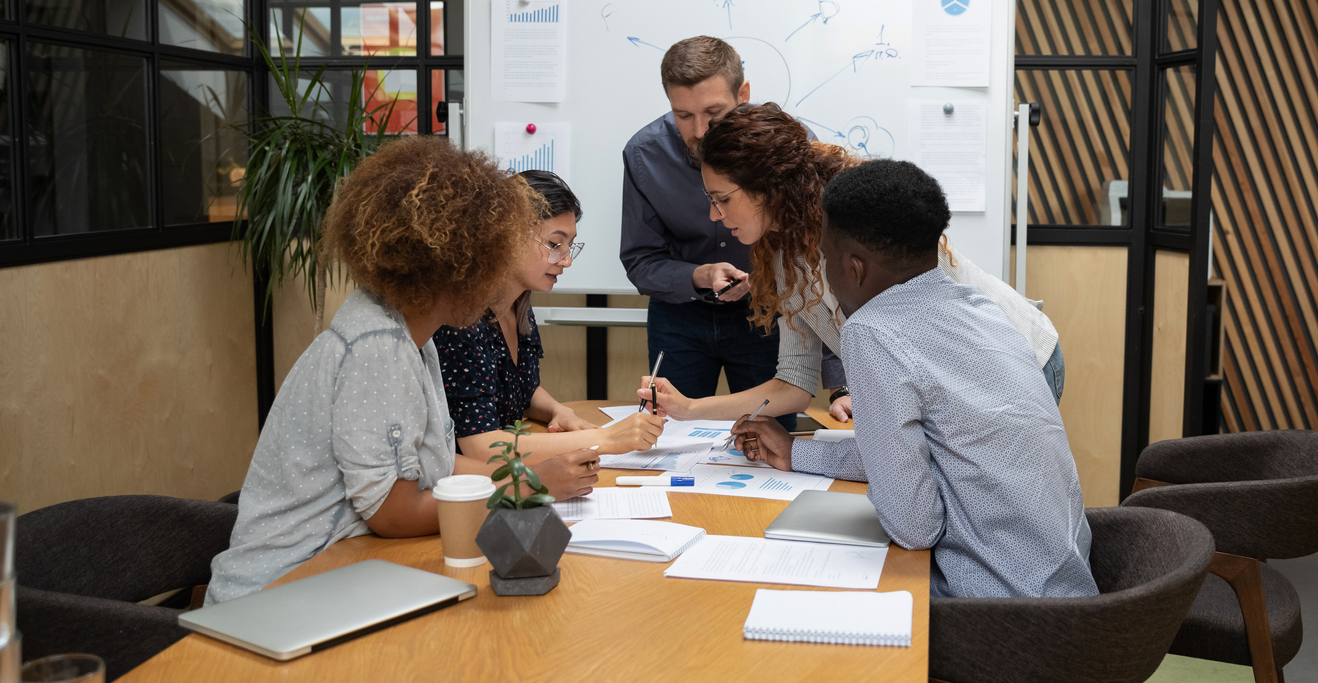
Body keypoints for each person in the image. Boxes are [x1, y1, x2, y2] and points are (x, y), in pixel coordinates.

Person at [207, 139, 600, 605]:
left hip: (343, 568)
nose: (497, 280)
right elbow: (393, 514)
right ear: (452, 263)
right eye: (492, 260)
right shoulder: (379, 346)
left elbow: (436, 465)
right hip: (286, 588)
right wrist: (528, 487)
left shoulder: (411, 333)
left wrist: (528, 475)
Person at [732, 160, 1097, 599]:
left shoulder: (872, 332)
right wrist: (796, 453)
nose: (821, 272)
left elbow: (914, 526)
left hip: (998, 610)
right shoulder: (984, 311)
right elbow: (910, 462)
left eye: (825, 258)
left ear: (855, 268)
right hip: (1071, 600)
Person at [641, 103, 1063, 424]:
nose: (715, 216)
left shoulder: (862, 219)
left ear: (767, 187)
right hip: (952, 379)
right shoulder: (782, 254)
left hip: (1013, 359)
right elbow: (793, 383)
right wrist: (690, 408)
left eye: (723, 200)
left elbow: (924, 348)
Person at [619, 36, 794, 429]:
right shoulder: (645, 154)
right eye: (683, 115)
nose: (700, 131)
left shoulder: (783, 148)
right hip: (680, 317)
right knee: (672, 438)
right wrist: (698, 276)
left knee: (768, 436)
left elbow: (819, 261)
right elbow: (639, 259)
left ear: (743, 94)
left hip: (766, 317)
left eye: (713, 113)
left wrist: (839, 384)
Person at [435, 170, 664, 460]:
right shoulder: (461, 321)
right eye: (555, 245)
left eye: (570, 246)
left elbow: (522, 390)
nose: (566, 260)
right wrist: (603, 438)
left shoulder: (519, 306)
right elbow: (480, 445)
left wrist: (558, 410)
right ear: (507, 236)